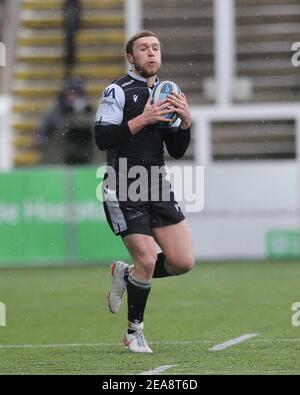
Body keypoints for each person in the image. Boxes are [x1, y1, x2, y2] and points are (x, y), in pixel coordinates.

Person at [94, 30, 195, 353]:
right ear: (131, 57)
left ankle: (126, 275)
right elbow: (102, 138)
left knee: (183, 261)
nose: (151, 53)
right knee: (148, 258)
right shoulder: (117, 90)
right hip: (124, 183)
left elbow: (176, 150)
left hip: (156, 184)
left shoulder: (169, 92)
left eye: (155, 48)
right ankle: (133, 332)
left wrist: (185, 122)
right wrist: (143, 119)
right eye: (143, 48)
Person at [38, 78, 94, 165]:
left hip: (86, 158)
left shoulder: (89, 114)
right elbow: (41, 136)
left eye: (76, 93)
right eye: (70, 93)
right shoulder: (53, 114)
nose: (73, 96)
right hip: (59, 159)